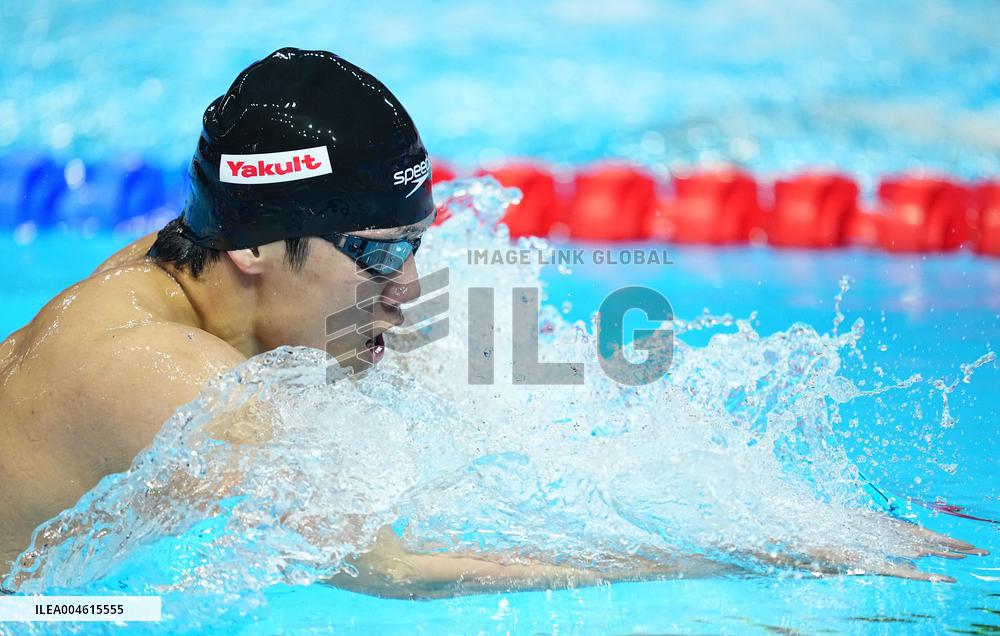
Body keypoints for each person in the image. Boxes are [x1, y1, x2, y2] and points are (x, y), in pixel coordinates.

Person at [0, 48, 985, 598]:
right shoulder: (163, 377)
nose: (407, 284)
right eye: (378, 252)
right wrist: (746, 559)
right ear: (255, 243)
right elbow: (396, 571)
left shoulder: (210, 267)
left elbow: (486, 403)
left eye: (414, 242)